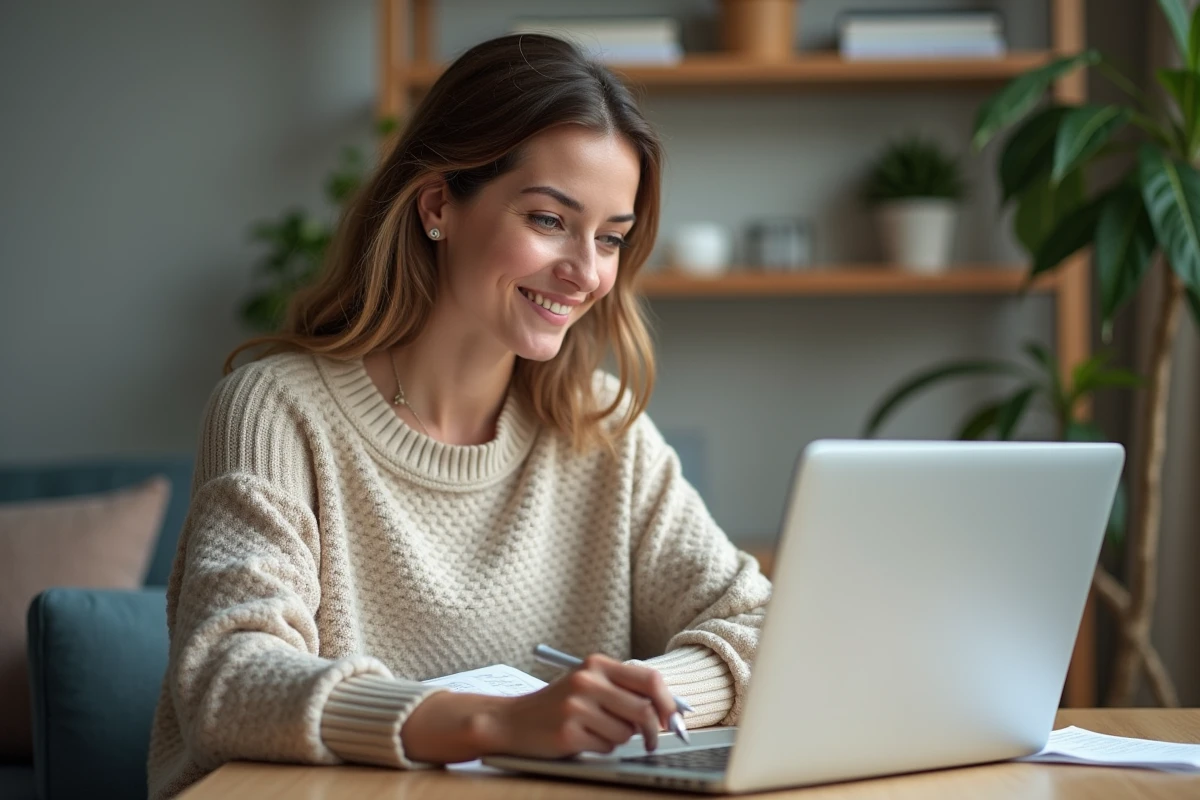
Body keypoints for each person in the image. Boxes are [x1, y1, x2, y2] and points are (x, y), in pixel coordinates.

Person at [148, 33, 771, 799]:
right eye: (549, 220)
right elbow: (229, 680)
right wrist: (496, 724)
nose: (586, 272)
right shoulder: (276, 409)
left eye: (611, 238)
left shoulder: (602, 427)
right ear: (439, 204)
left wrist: (632, 699)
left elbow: (763, 627)